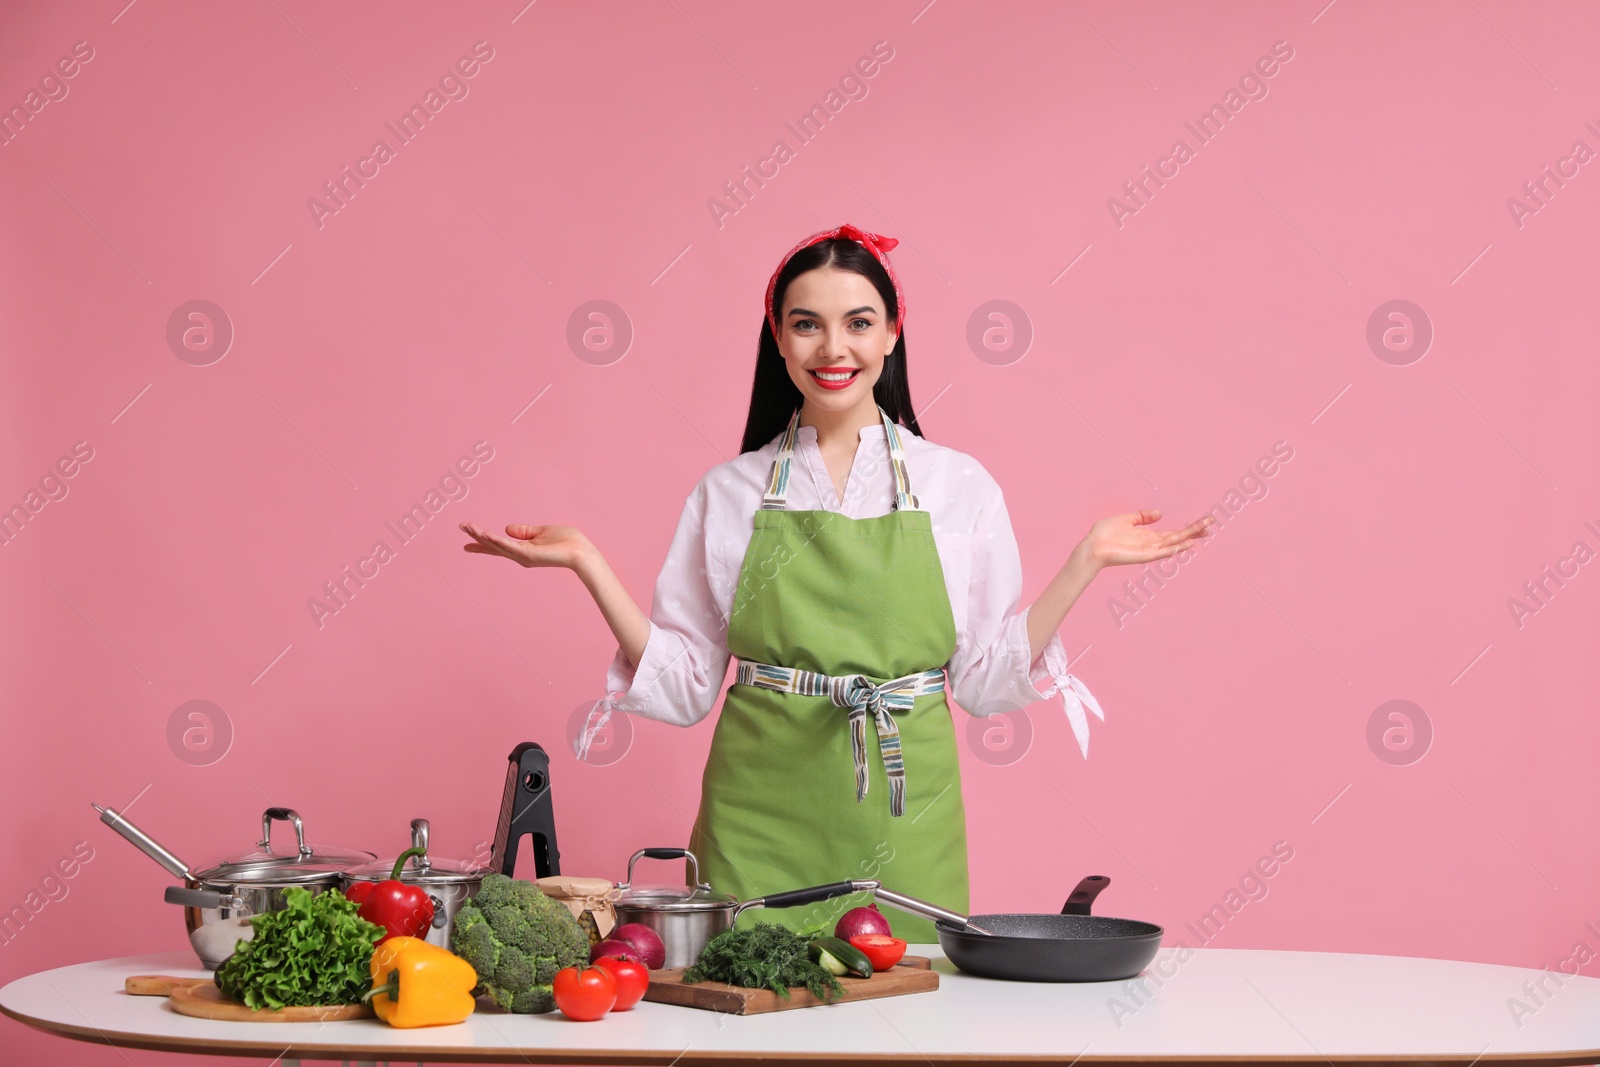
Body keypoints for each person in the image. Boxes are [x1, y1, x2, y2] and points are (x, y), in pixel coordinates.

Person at [459, 222, 1213, 943]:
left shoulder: (959, 487)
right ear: (778, 339)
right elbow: (688, 687)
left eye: (858, 322)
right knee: (746, 1012)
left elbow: (983, 683)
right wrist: (589, 562)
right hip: (757, 822)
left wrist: (1085, 561)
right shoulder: (730, 491)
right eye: (806, 324)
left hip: (905, 825)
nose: (833, 348)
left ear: (892, 332)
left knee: (903, 1019)